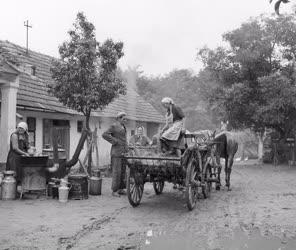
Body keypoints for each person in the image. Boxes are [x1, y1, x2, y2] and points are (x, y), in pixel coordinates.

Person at [102, 112, 128, 197]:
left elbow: (124, 139)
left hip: (123, 152)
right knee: (117, 171)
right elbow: (104, 134)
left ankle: (121, 189)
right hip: (116, 152)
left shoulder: (123, 126)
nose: (125, 120)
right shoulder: (114, 126)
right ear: (119, 118)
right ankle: (114, 190)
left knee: (123, 171)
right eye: (124, 119)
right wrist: (114, 141)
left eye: (125, 119)